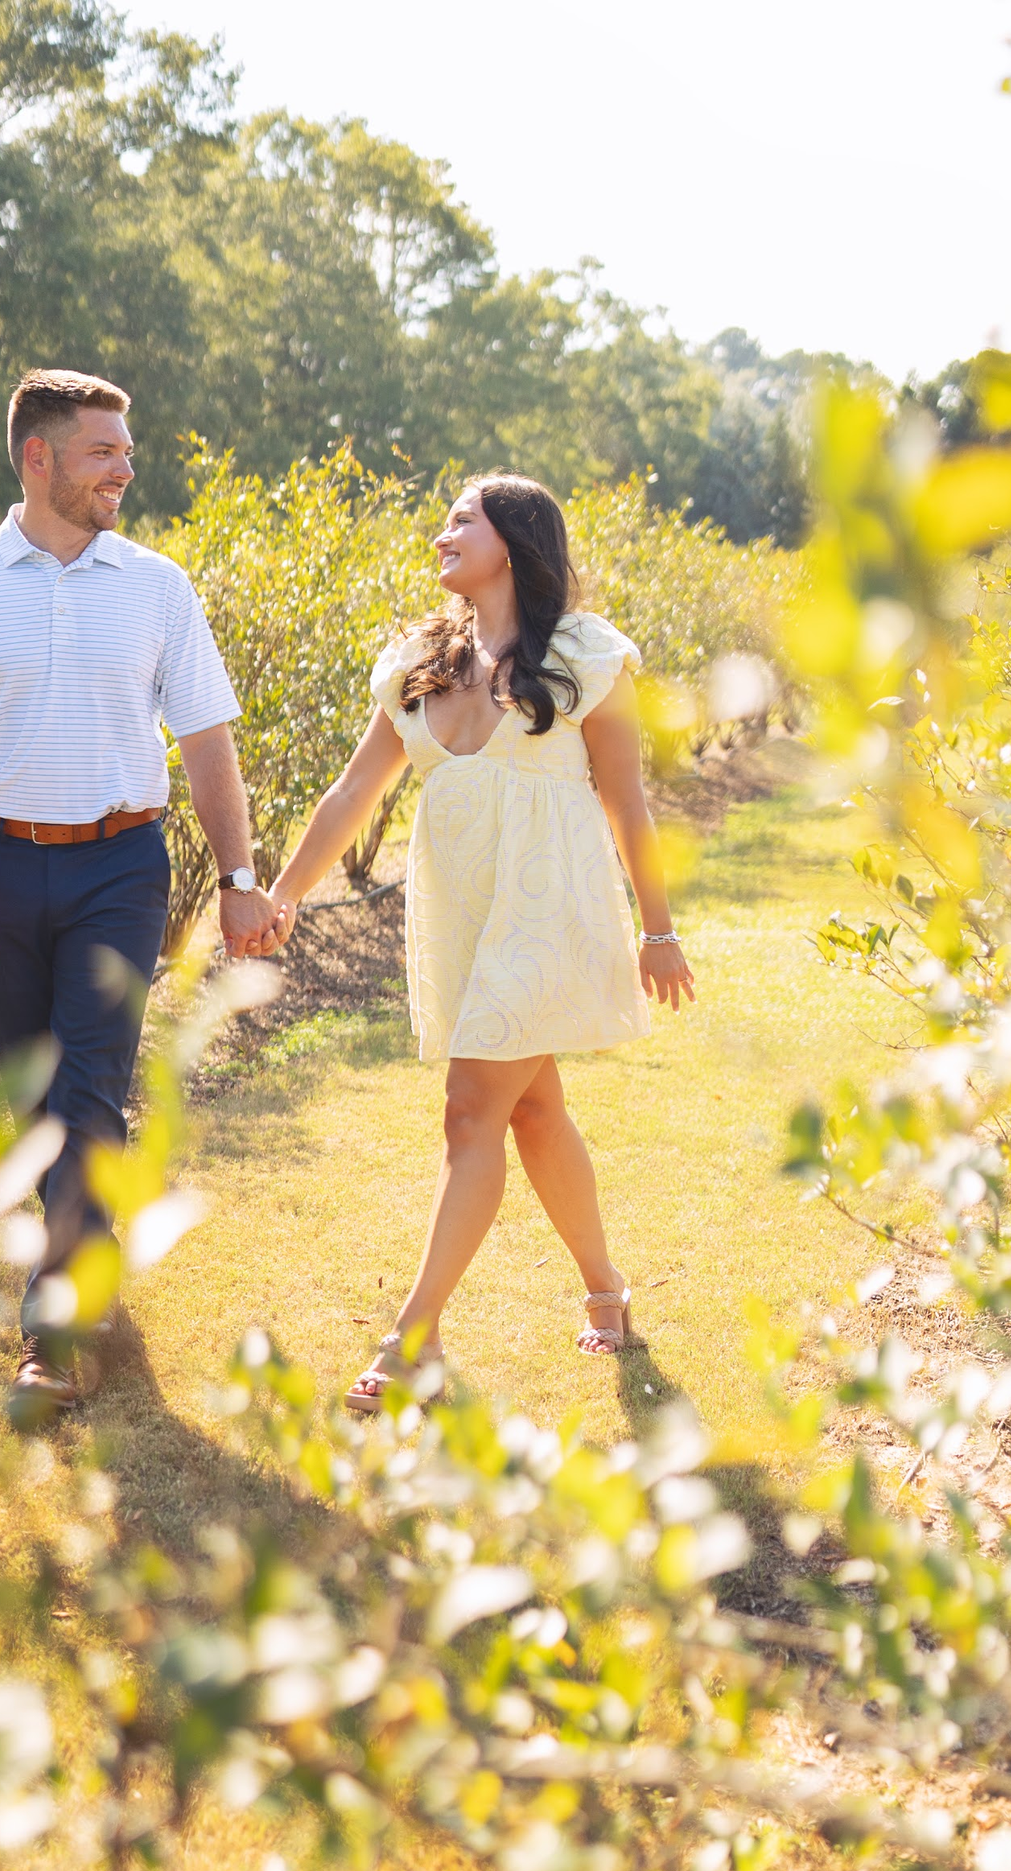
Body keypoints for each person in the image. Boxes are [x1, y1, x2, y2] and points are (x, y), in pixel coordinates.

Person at [0, 368, 284, 1415]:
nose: (125, 468)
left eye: (126, 451)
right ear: (39, 457)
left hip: (120, 866)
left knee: (88, 1091)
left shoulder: (157, 586)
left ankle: (51, 1334)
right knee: (36, 1096)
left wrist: (240, 879)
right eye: (104, 451)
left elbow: (207, 744)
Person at [266, 472, 695, 1411]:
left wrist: (657, 929)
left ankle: (412, 1338)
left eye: (463, 519)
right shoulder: (418, 661)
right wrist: (287, 893)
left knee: (471, 1112)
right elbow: (352, 795)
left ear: (515, 539)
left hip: (549, 911)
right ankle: (607, 1288)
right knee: (533, 1113)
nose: (442, 532)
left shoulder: (587, 656)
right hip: (464, 914)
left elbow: (627, 801)